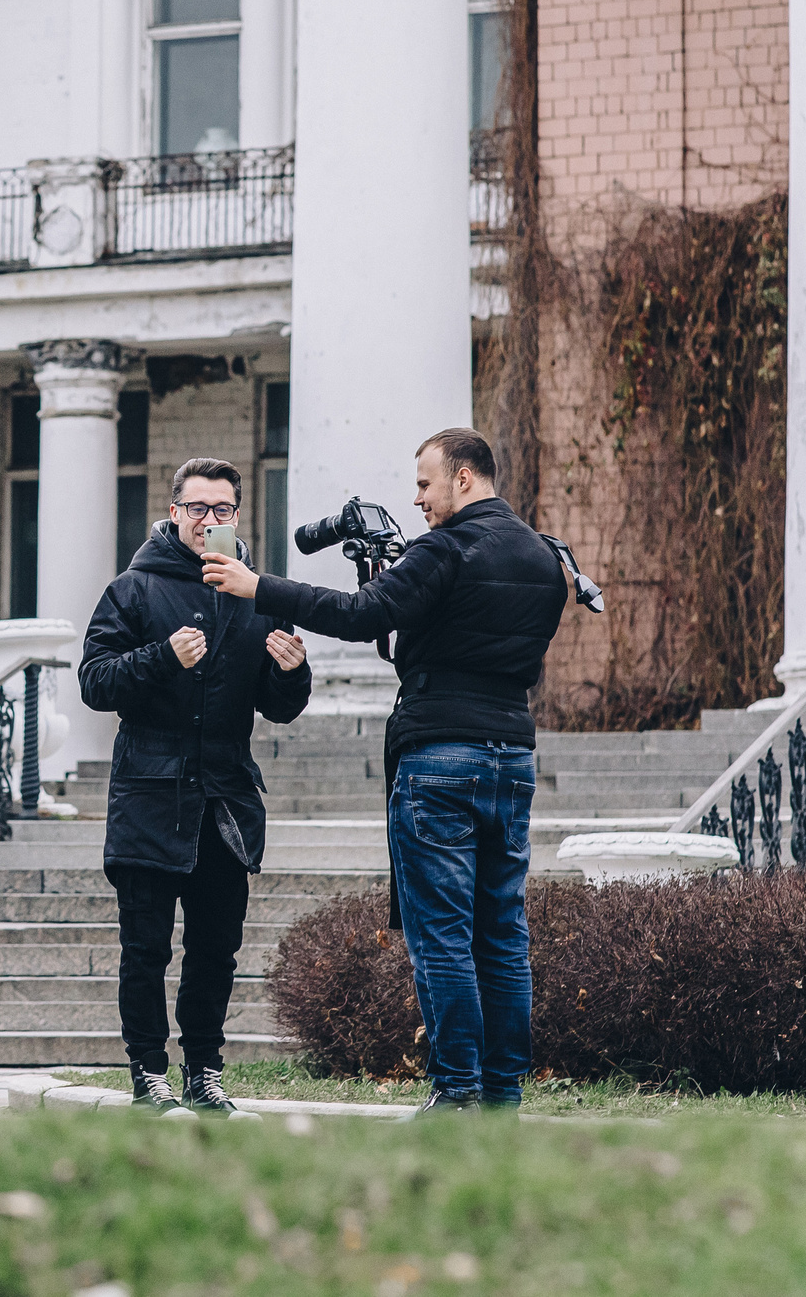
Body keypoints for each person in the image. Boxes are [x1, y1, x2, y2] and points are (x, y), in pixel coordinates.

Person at [208, 428, 570, 1115]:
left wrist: (260, 587)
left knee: (443, 934)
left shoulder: (445, 548)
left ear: (464, 478)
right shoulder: (545, 554)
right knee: (502, 932)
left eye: (426, 483)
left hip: (439, 758)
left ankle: (456, 1091)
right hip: (512, 756)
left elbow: (359, 615)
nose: (418, 498)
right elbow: (460, 631)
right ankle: (502, 1096)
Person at [80, 456, 311, 1116]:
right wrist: (162, 657)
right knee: (145, 950)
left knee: (215, 951)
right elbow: (94, 681)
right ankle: (148, 1072)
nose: (209, 520)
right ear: (174, 511)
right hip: (149, 797)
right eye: (198, 508)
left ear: (237, 514)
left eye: (223, 509)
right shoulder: (133, 588)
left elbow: (279, 707)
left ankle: (204, 1072)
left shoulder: (256, 595)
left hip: (225, 803)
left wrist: (292, 672)